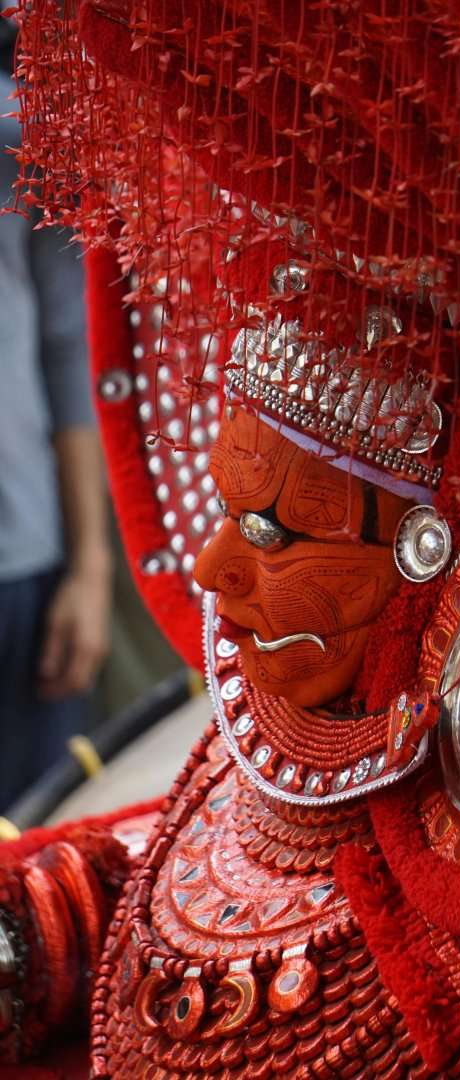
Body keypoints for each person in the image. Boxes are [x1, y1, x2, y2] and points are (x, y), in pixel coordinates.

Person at [0, 1, 460, 1077]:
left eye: (274, 530)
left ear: (432, 566)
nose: (214, 569)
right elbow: (154, 868)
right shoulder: (295, 718)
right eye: (229, 514)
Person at [0, 19, 110, 813]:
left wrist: (90, 565)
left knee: (43, 843)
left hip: (26, 572)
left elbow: (71, 348)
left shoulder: (19, 127)